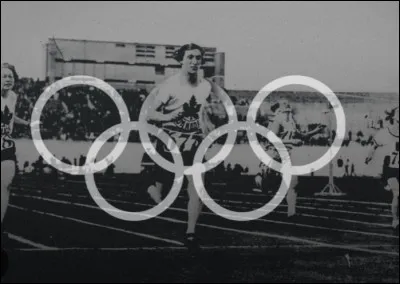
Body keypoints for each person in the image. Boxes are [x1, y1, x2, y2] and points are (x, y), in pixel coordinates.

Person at [144, 43, 227, 248]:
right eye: (190, 57)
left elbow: (205, 112)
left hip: (195, 142)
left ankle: (191, 232)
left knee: (197, 187)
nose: (194, 62)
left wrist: (211, 122)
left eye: (198, 58)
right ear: (181, 60)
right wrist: (171, 115)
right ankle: (148, 187)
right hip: (170, 143)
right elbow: (150, 115)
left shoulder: (205, 86)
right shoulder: (169, 86)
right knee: (161, 195)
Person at [268, 99, 325, 218]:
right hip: (275, 153)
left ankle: (291, 213)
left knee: (293, 182)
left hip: (287, 154)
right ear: (280, 110)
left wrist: (316, 131)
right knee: (267, 183)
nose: (288, 112)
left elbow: (302, 136)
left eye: (289, 109)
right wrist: (292, 141)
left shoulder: (291, 123)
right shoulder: (277, 121)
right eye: (285, 109)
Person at [1, 63, 30, 276]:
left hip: (6, 147)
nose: (7, 79)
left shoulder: (13, 97)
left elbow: (10, 118)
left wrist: (26, 123)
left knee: (6, 187)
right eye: (3, 76)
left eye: (10, 75)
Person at [366, 107, 399, 230]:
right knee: (397, 194)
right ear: (394, 118)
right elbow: (373, 145)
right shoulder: (385, 133)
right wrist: (369, 156)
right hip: (391, 169)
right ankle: (395, 220)